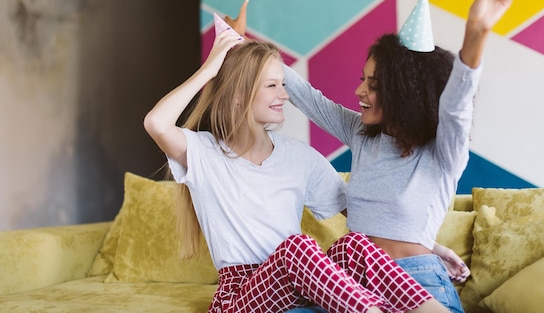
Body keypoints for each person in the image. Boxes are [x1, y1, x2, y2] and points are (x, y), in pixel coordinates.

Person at [228, 0, 519, 313]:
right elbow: (308, 97)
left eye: (374, 84)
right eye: (362, 80)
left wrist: (476, 33)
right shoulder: (362, 134)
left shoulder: (442, 150)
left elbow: (456, 107)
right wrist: (240, 44)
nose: (360, 92)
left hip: (416, 286)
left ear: (404, 90)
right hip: (354, 287)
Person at [143, 23, 452, 313]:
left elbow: (361, 215)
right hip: (241, 295)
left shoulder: (299, 157)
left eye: (283, 84)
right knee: (298, 247)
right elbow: (156, 123)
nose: (285, 94)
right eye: (273, 86)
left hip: (297, 284)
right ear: (239, 96)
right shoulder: (203, 153)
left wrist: (429, 246)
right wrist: (210, 69)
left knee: (354, 242)